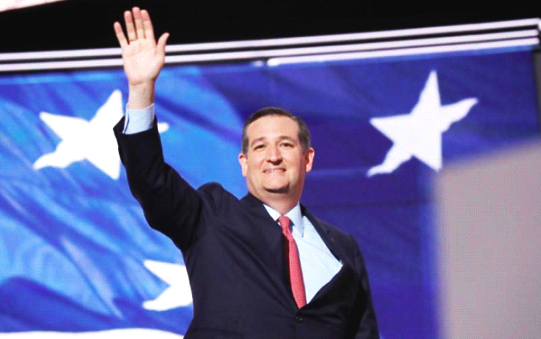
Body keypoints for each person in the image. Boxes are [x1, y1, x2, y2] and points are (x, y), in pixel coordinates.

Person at [113, 7, 379, 339]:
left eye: (285, 145)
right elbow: (150, 179)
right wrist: (141, 89)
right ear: (243, 163)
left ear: (307, 158)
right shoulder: (211, 215)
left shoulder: (343, 246)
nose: (273, 157)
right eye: (259, 147)